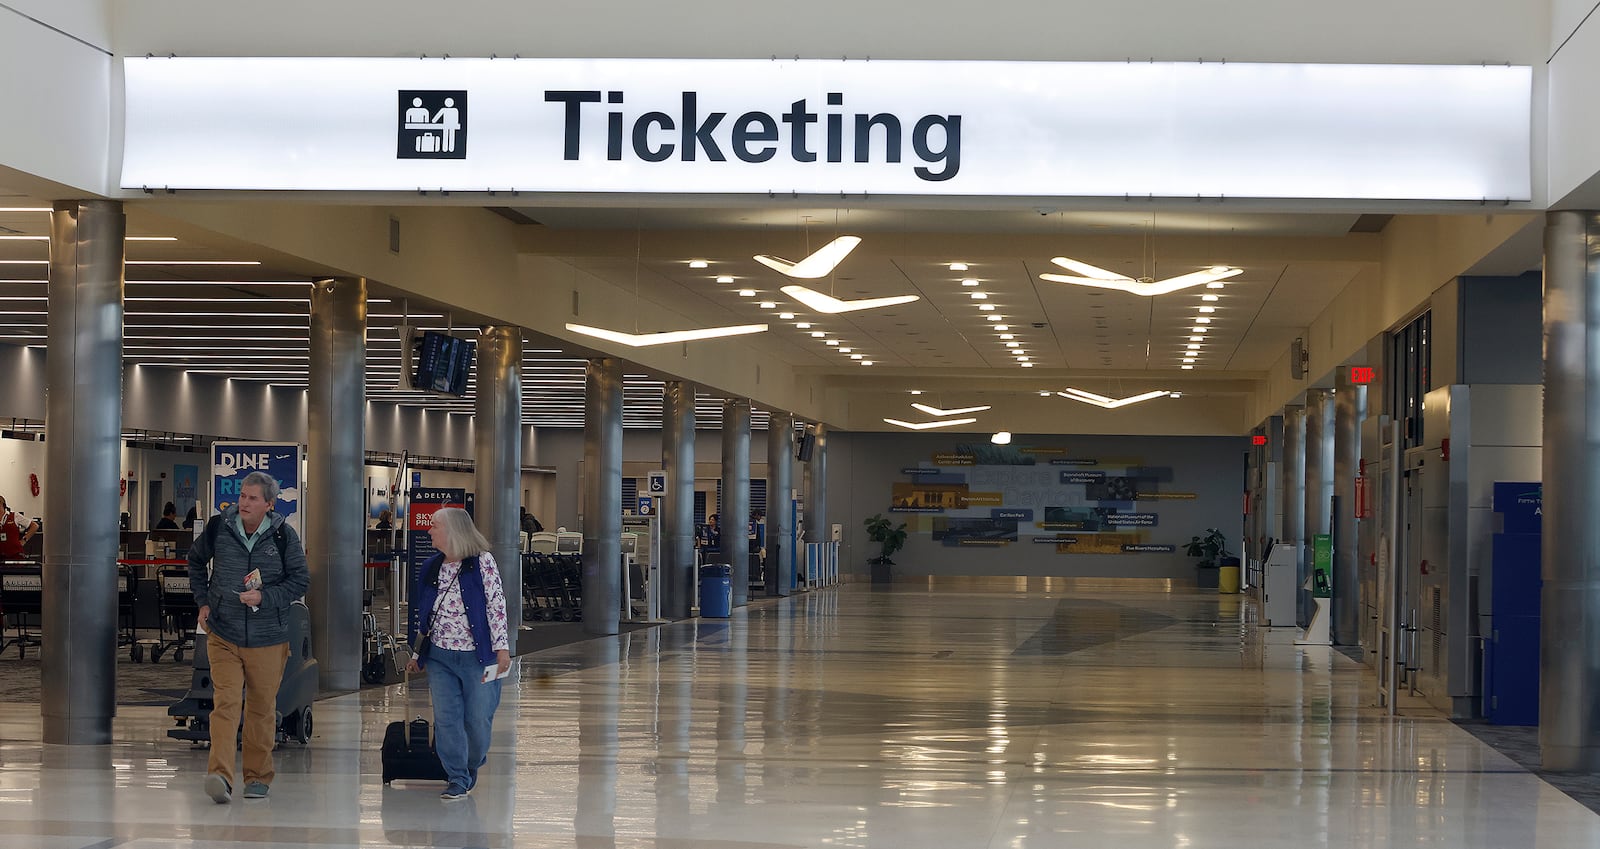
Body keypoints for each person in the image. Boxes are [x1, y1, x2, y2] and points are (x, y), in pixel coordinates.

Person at [187, 471, 310, 804]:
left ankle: (257, 778)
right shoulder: (219, 528)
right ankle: (220, 777)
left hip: (268, 637)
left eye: (252, 498)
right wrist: (202, 601)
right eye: (242, 495)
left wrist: (264, 597)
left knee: (260, 709)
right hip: (223, 633)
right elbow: (195, 561)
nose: (243, 502)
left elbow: (300, 581)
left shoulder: (285, 536)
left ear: (269, 504)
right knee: (225, 703)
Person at [406, 506, 511, 800]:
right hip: (440, 657)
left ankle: (471, 763)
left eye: (435, 526)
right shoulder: (431, 567)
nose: (429, 531)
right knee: (447, 719)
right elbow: (424, 614)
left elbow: (496, 606)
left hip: (479, 658)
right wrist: (417, 654)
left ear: (453, 531)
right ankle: (457, 777)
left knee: (478, 720)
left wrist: (502, 648)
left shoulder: (482, 563)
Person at [0, 495, 39, 560]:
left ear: (3, 506)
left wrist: (24, 540)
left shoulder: (15, 516)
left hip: (15, 556)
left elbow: (35, 526)